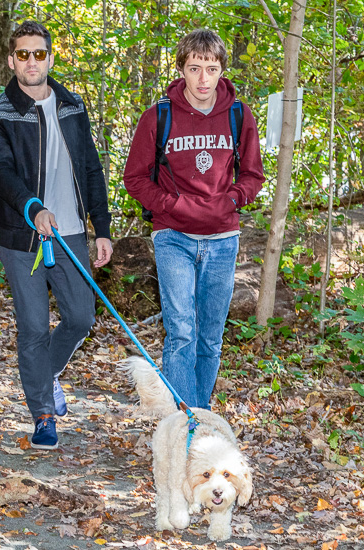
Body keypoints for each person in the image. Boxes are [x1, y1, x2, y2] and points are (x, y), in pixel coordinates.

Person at [0, 21, 113, 450]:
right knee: (34, 326)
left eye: (39, 54)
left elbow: (91, 168)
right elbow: (0, 172)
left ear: (50, 57)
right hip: (22, 235)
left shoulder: (72, 106)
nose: (31, 62)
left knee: (80, 317)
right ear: (12, 59)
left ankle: (46, 372)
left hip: (69, 231)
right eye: (23, 55)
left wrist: (102, 228)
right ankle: (42, 414)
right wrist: (33, 207)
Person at [123, 29, 264, 410]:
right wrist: (172, 203)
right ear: (182, 69)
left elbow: (253, 175)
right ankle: (186, 422)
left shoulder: (238, 114)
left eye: (212, 68)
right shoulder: (159, 116)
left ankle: (198, 415)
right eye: (195, 68)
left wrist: (231, 199)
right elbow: (134, 178)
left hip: (222, 238)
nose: (204, 79)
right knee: (181, 331)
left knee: (211, 336)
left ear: (222, 70)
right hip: (173, 236)